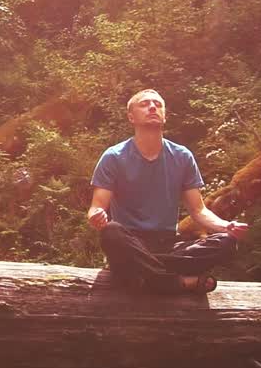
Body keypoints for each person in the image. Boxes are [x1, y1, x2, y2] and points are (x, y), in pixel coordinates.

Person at [88, 88, 248, 294]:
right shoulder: (114, 157)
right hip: (130, 241)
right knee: (111, 232)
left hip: (168, 244)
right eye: (144, 104)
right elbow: (96, 208)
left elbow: (198, 211)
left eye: (158, 104)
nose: (152, 107)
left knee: (226, 242)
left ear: (165, 115)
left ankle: (144, 275)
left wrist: (227, 226)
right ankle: (178, 283)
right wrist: (97, 217)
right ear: (131, 117)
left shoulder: (182, 157)